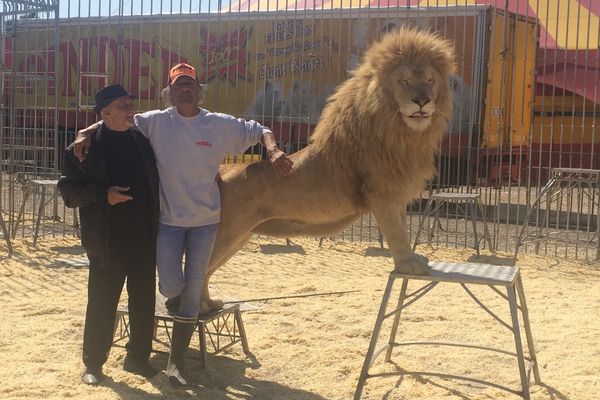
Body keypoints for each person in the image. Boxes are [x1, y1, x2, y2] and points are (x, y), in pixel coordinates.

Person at [74, 63, 293, 386]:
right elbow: (115, 118)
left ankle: (175, 362)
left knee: (189, 291)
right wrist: (85, 132)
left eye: (190, 84)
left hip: (205, 222)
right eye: (179, 85)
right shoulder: (157, 122)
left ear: (199, 90)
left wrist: (273, 151)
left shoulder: (216, 124)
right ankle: (108, 357)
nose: (185, 89)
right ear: (170, 92)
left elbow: (258, 128)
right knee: (170, 287)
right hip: (168, 223)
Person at [58, 84, 160, 385]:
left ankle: (138, 358)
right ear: (106, 112)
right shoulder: (84, 149)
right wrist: (104, 195)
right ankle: (93, 364)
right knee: (102, 302)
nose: (130, 109)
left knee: (143, 301)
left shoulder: (142, 140)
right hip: (106, 239)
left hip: (144, 236)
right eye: (123, 104)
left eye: (130, 103)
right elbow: (68, 191)